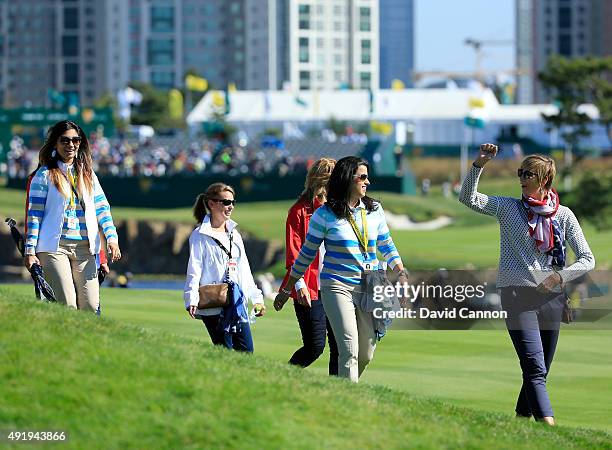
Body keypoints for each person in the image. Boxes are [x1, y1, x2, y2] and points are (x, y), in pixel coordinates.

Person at [459, 144, 595, 426]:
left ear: (545, 180)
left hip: (552, 300)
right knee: (534, 366)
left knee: (540, 370)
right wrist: (478, 165)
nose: (522, 178)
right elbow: (468, 198)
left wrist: (560, 277)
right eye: (521, 173)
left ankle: (520, 422)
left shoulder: (564, 216)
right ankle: (548, 425)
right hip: (517, 296)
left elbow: (587, 259)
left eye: (529, 174)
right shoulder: (508, 208)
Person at [274, 156, 408, 382]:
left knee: (365, 353)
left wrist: (401, 271)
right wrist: (288, 288)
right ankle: (349, 403)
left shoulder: (375, 210)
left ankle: (340, 391)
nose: (367, 182)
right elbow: (304, 255)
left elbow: (386, 244)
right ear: (348, 179)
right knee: (348, 349)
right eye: (363, 177)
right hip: (337, 285)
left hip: (370, 285)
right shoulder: (324, 215)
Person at [24, 120, 121, 312]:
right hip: (54, 247)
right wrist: (30, 252)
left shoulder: (88, 174)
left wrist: (112, 239)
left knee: (91, 307)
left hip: (85, 249)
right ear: (55, 143)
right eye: (65, 140)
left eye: (75, 140)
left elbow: (102, 208)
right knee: (67, 304)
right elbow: (34, 215)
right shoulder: (44, 175)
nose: (71, 145)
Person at [184, 182, 265, 352]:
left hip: (237, 302)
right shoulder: (199, 235)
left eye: (233, 202)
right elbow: (194, 269)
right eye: (226, 202)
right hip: (214, 304)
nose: (230, 207)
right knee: (226, 353)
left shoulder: (235, 234)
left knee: (246, 352)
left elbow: (244, 270)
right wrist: (191, 299)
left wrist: (257, 299)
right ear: (211, 204)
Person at [277, 158, 339, 375]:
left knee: (340, 346)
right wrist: (300, 283)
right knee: (315, 346)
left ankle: (339, 390)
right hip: (310, 287)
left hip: (336, 285)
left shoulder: (339, 210)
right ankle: (285, 377)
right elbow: (294, 252)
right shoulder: (299, 211)